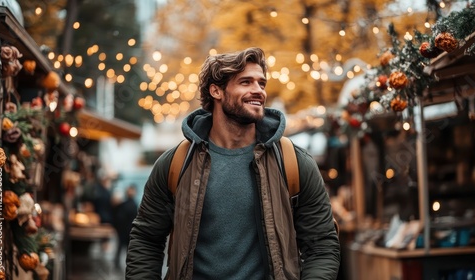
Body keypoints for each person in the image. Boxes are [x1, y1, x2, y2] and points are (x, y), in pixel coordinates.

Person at [126, 47, 340, 279]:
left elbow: (322, 245)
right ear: (216, 91)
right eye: (246, 82)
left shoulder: (293, 162)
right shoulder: (175, 164)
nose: (258, 90)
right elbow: (146, 240)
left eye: (261, 83)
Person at [112, 185, 138, 269]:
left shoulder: (129, 204)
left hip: (127, 230)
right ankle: (122, 263)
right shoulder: (130, 204)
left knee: (125, 248)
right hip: (126, 230)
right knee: (123, 247)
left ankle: (124, 263)